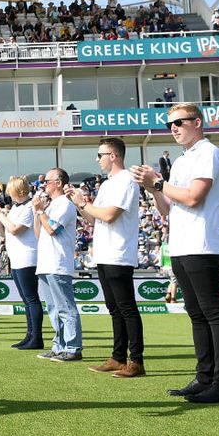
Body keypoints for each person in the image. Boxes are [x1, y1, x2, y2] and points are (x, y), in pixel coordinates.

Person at [131, 103, 219, 403]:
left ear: (197, 122)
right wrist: (152, 189)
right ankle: (205, 378)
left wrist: (159, 183)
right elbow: (167, 209)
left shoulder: (208, 152)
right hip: (180, 243)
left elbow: (193, 197)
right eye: (170, 124)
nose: (174, 128)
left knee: (213, 313)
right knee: (196, 314)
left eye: (179, 122)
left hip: (202, 243)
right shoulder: (181, 160)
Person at [72, 137, 144, 378]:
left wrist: (84, 203)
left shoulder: (126, 181)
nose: (97, 159)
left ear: (113, 155)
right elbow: (95, 219)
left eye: (100, 154)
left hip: (119, 253)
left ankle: (136, 360)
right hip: (104, 252)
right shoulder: (107, 184)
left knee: (126, 308)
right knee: (115, 309)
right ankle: (117, 356)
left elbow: (111, 215)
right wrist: (81, 206)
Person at [33, 168, 82, 363]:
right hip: (46, 263)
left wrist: (40, 211)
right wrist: (37, 212)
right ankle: (59, 346)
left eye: (48, 181)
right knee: (53, 308)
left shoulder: (65, 205)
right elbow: (39, 233)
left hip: (58, 263)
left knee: (65, 307)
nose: (44, 184)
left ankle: (73, 347)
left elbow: (53, 229)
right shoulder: (52, 206)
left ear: (59, 183)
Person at [0, 177, 43, 349]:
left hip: (28, 257)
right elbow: (4, 232)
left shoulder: (28, 208)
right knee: (26, 300)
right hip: (17, 257)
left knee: (31, 299)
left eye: (10, 192)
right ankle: (30, 335)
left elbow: (15, 229)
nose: (8, 195)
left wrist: (0, 214)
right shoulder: (15, 208)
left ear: (19, 192)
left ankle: (36, 337)